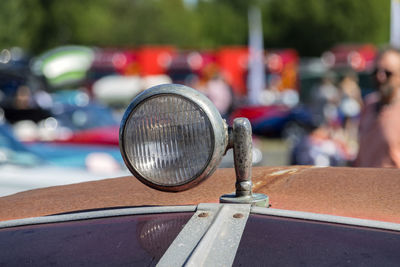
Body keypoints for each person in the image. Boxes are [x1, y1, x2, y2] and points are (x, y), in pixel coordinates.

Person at [354, 47, 400, 167]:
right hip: (364, 183)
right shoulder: (369, 105)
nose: (380, 77)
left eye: (388, 73)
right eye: (376, 72)